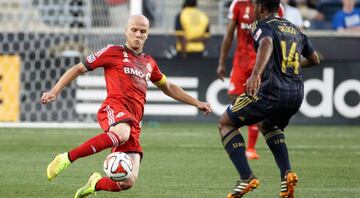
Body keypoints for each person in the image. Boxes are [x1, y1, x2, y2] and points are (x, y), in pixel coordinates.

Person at [41, 14, 212, 198]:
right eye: (134, 30)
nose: (138, 34)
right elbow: (78, 68)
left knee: (127, 181)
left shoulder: (149, 63)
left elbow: (168, 87)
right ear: (126, 31)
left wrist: (196, 102)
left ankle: (94, 184)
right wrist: (54, 90)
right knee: (122, 133)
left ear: (147, 35)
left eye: (143, 31)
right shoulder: (112, 51)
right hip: (114, 109)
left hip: (134, 123)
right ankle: (66, 158)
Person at [217, 0, 320, 197]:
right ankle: (287, 174)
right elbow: (315, 59)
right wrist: (292, 65)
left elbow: (266, 43)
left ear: (260, 8)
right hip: (296, 94)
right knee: (267, 124)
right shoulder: (293, 28)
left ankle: (246, 177)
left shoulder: (261, 25)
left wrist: (256, 74)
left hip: (273, 91)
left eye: (255, 6)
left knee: (225, 123)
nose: (253, 9)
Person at [217, 0, 283, 160]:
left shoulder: (274, 6)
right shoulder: (238, 4)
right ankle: (236, 142)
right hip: (240, 62)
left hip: (261, 63)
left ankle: (251, 149)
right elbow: (229, 35)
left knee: (256, 103)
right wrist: (221, 62)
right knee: (235, 100)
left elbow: (279, 36)